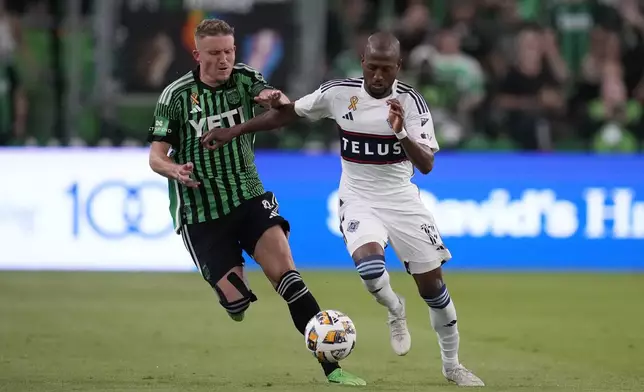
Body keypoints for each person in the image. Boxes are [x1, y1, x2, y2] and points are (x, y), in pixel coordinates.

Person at [201, 31, 485, 387]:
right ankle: (395, 309)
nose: (379, 76)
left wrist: (400, 134)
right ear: (362, 63)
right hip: (358, 198)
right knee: (369, 270)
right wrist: (236, 131)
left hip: (401, 202)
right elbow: (287, 115)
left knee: (433, 290)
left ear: (398, 67)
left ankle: (452, 365)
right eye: (373, 68)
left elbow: (426, 164)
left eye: (387, 69)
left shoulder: (411, 103)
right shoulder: (338, 93)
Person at [146, 18, 365, 386]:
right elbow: (156, 156)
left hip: (249, 195)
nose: (224, 60)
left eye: (229, 51)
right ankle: (233, 300)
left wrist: (276, 99)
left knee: (289, 278)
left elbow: (276, 102)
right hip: (201, 210)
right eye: (214, 53)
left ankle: (333, 369)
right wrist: (174, 170)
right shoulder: (177, 96)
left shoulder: (245, 78)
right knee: (237, 304)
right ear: (197, 54)